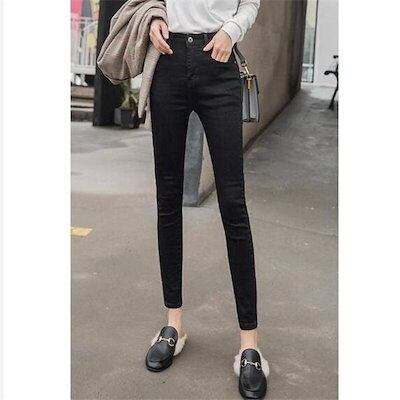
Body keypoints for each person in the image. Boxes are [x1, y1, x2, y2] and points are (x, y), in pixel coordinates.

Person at [144, 0, 268, 398]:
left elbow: (250, 3)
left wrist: (232, 29)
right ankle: (174, 324)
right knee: (168, 199)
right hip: (168, 60)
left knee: (233, 204)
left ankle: (249, 346)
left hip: (219, 61)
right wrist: (153, 16)